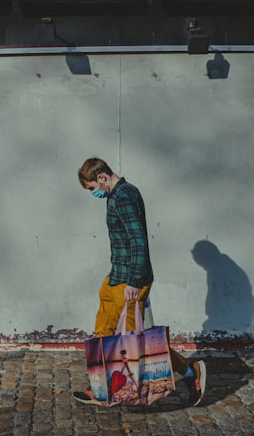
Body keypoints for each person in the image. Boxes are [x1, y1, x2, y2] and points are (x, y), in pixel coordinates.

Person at [72, 157, 207, 406]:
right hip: (116, 276)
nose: (93, 193)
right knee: (104, 333)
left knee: (134, 343)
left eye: (91, 188)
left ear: (102, 177)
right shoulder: (115, 194)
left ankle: (190, 372)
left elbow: (138, 241)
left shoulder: (124, 196)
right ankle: (101, 387)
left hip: (129, 280)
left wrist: (134, 281)